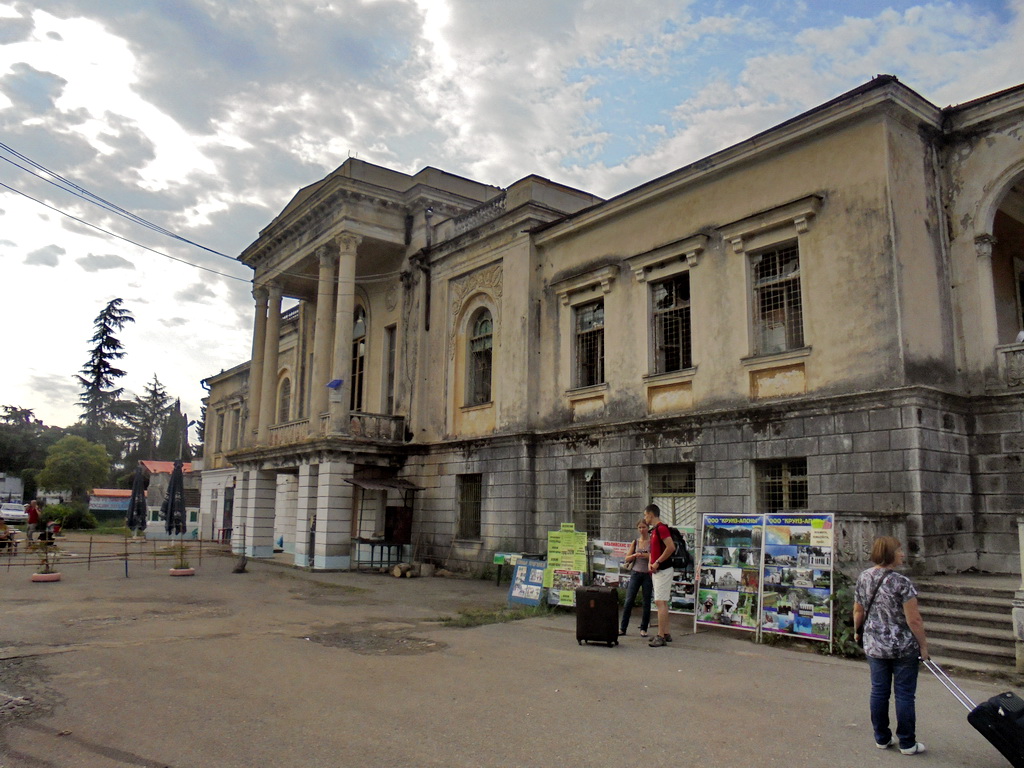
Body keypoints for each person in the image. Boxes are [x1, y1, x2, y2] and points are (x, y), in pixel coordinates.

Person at [853, 536, 930, 756]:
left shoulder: (864, 577)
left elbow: (858, 610)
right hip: (902, 647)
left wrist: (857, 632)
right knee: (904, 695)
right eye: (899, 550)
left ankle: (882, 738)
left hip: (875, 645)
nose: (902, 554)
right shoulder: (901, 582)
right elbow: (913, 619)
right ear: (890, 554)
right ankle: (907, 743)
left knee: (879, 691)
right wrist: (923, 646)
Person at [643, 503, 675, 647]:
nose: (645, 518)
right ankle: (666, 632)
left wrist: (657, 562)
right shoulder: (654, 530)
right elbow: (654, 550)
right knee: (662, 602)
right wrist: (651, 562)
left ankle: (660, 636)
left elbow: (670, 547)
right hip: (657, 570)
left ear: (651, 514)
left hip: (663, 570)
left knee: (659, 602)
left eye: (645, 515)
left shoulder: (661, 528)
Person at [619, 518, 653, 637]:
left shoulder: (652, 542)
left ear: (648, 528)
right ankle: (623, 628)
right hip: (635, 573)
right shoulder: (636, 542)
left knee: (646, 601)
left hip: (647, 575)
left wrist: (645, 555)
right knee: (629, 600)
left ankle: (644, 628)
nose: (642, 530)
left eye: (644, 527)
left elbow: (654, 556)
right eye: (640, 527)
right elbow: (627, 558)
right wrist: (635, 555)